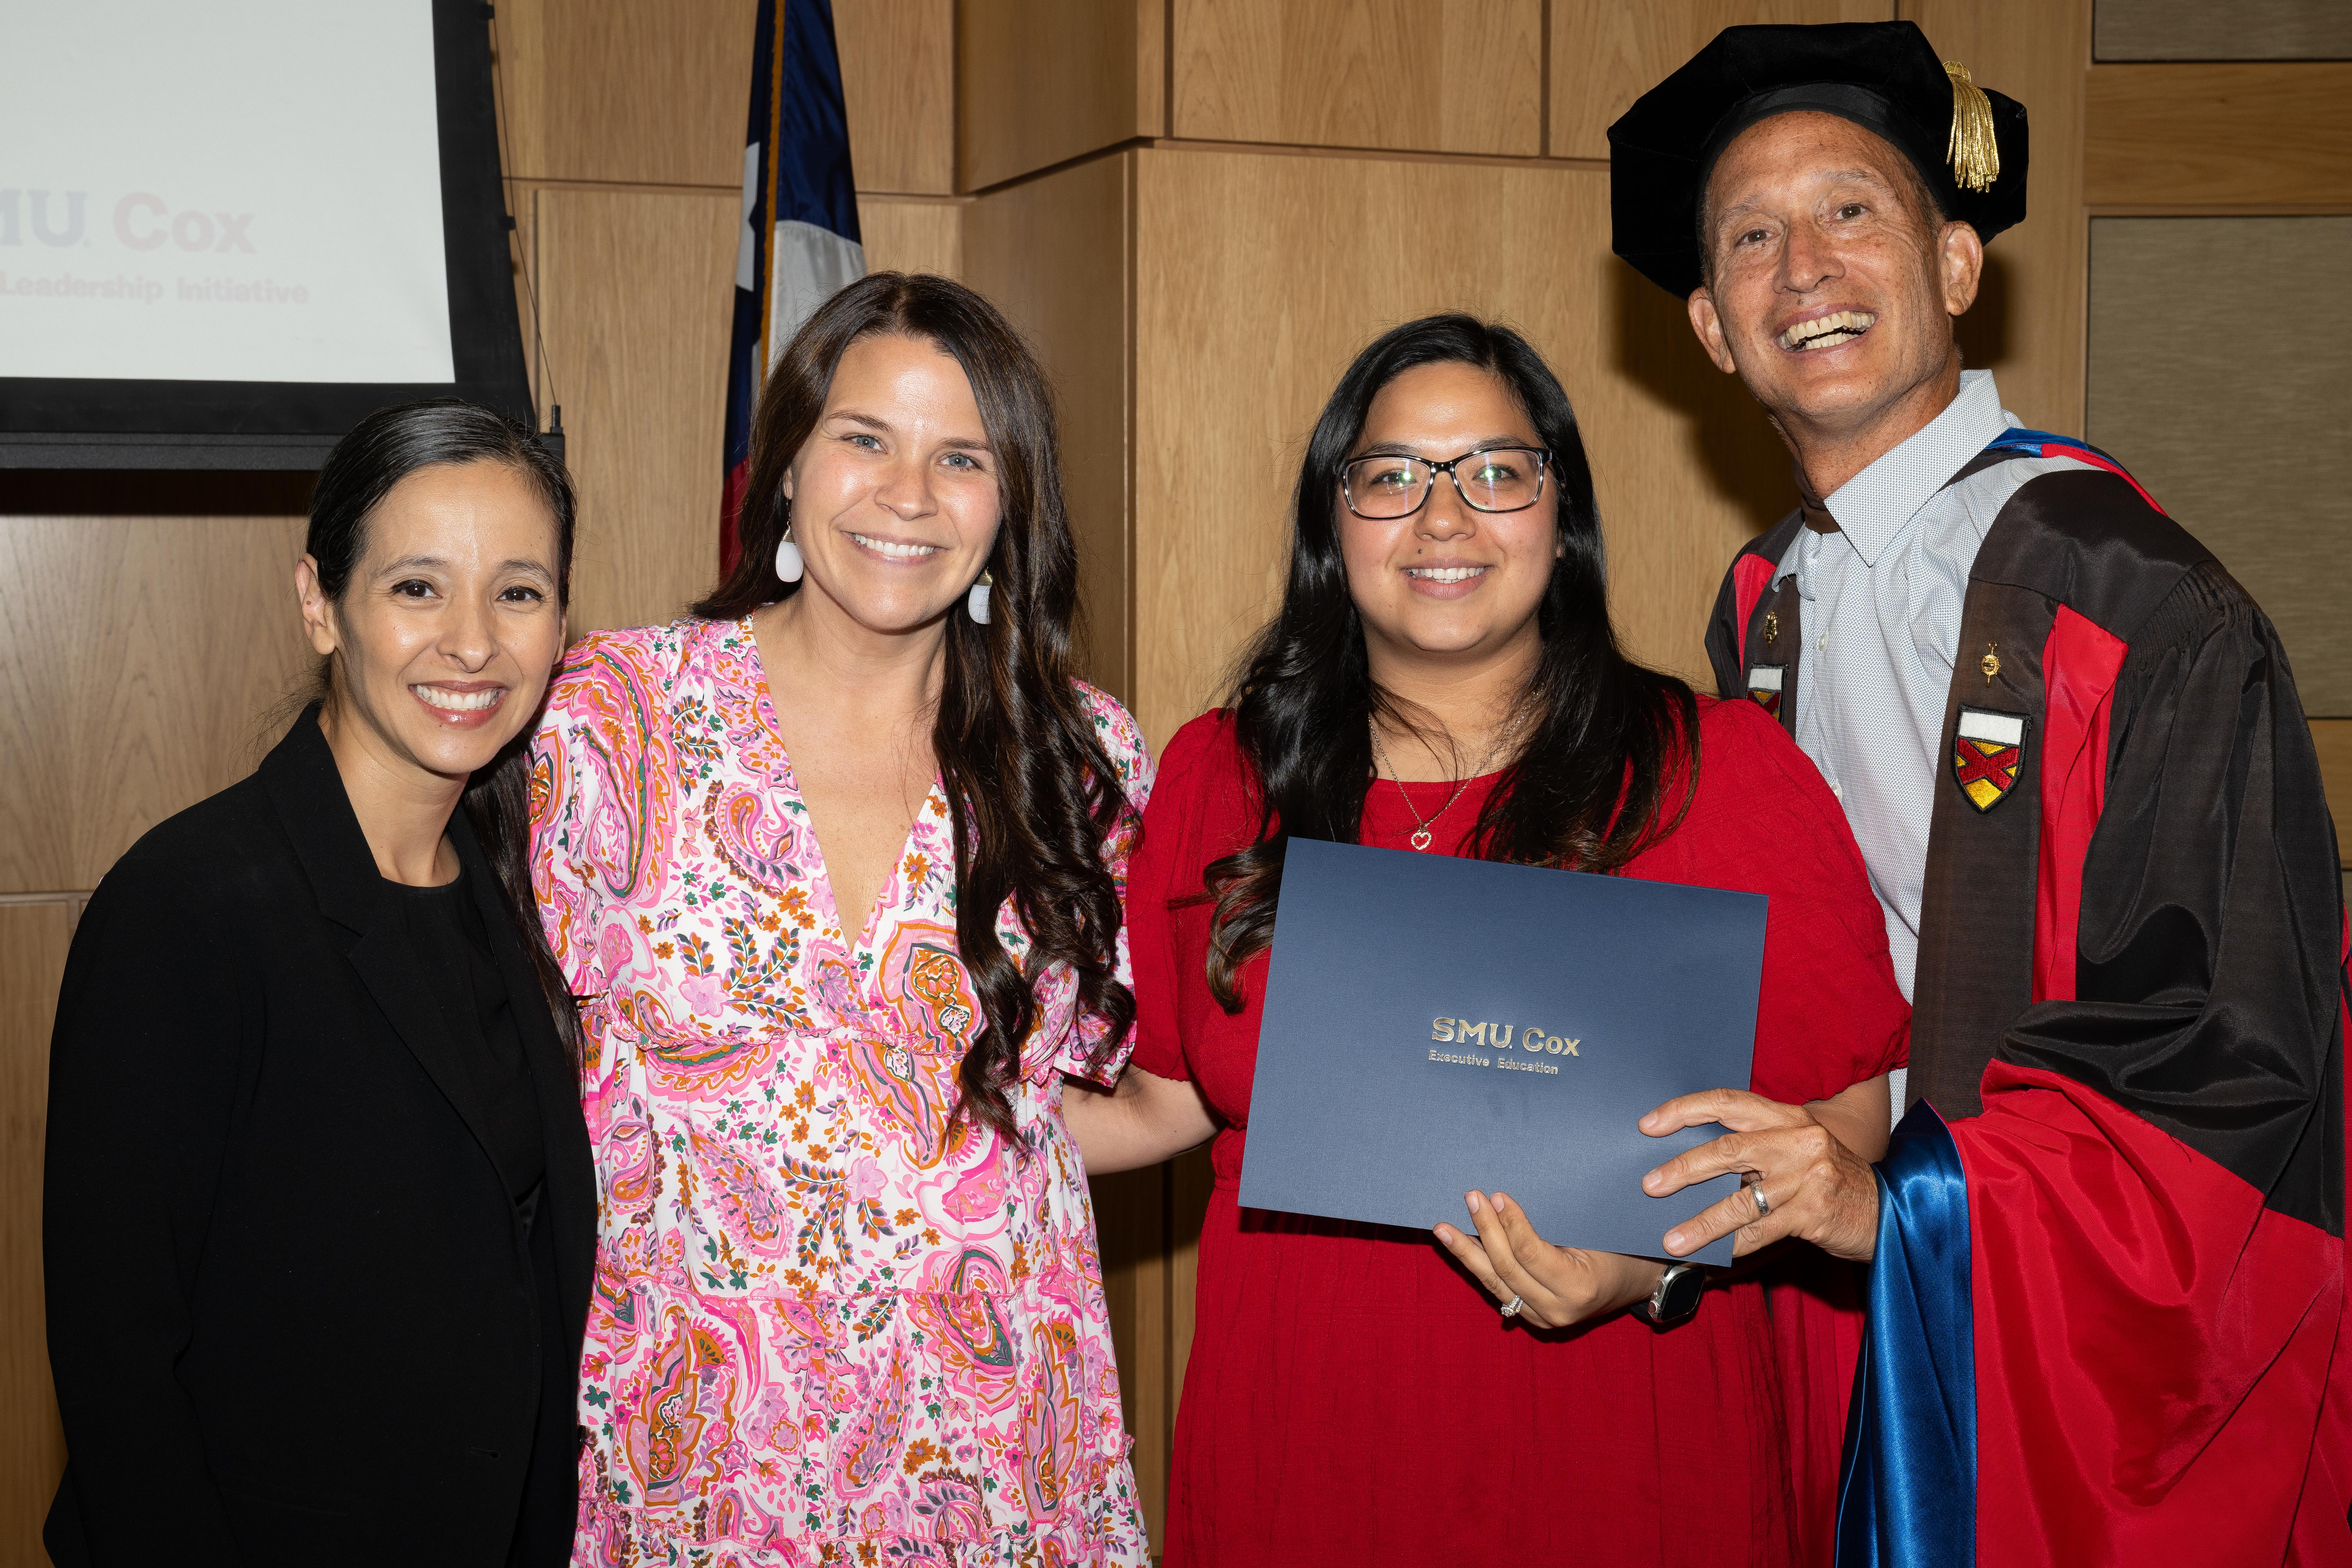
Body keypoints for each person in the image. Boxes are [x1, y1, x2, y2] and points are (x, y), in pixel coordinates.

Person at [1608, 21, 2351, 1565]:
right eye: (1752, 237)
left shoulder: (2135, 596)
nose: (1802, 267)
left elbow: (2236, 1048)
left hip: (2064, 1353)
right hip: (1857, 1311)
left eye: (1851, 211)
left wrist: (1915, 1212)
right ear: (1709, 327)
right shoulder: (1763, 604)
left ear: (1957, 265)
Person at [1062, 313, 1910, 1565]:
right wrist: (861, 1100)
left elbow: (1844, 1134)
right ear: (1332, 524)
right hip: (1307, 1445)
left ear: (1558, 517)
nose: (1443, 519)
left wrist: (1644, 1271)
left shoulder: (1719, 779)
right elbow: (1164, 1100)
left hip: (1623, 1445)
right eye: (1391, 477)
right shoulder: (1225, 777)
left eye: (1496, 473)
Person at [529, 273, 1151, 1563]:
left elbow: (1058, 1106)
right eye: (865, 438)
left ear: (1011, 501)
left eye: (962, 457)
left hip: (990, 1447)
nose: (908, 494)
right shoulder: (608, 716)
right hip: (695, 1449)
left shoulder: (1082, 755)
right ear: (793, 465)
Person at [42, 400, 597, 1567]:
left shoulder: (513, 894)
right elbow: (117, 1364)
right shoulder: (190, 904)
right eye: (415, 588)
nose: (472, 643)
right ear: (320, 604)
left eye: (518, 591)